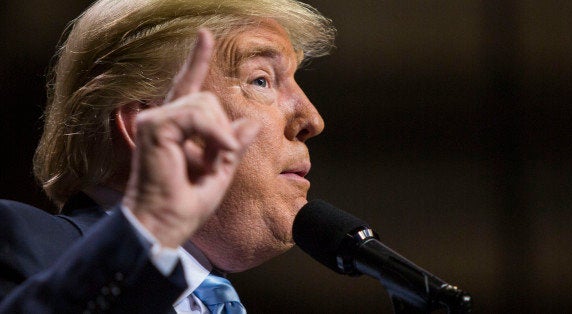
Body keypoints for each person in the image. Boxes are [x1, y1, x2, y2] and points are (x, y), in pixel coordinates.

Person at [0, 0, 335, 312]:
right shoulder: (15, 240)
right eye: (261, 80)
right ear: (145, 124)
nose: (312, 119)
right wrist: (149, 230)